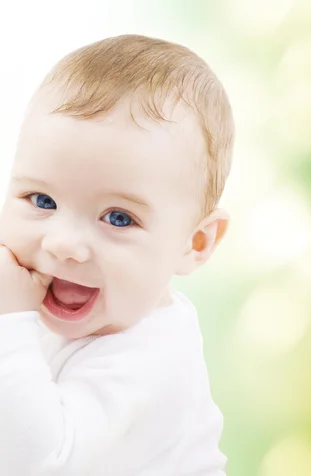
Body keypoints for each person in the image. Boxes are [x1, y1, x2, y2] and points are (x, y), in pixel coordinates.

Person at [0, 33, 234, 475]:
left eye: (119, 218)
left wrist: (8, 323)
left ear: (195, 242)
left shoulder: (154, 358)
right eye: (42, 200)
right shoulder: (36, 307)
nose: (63, 243)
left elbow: (35, 461)